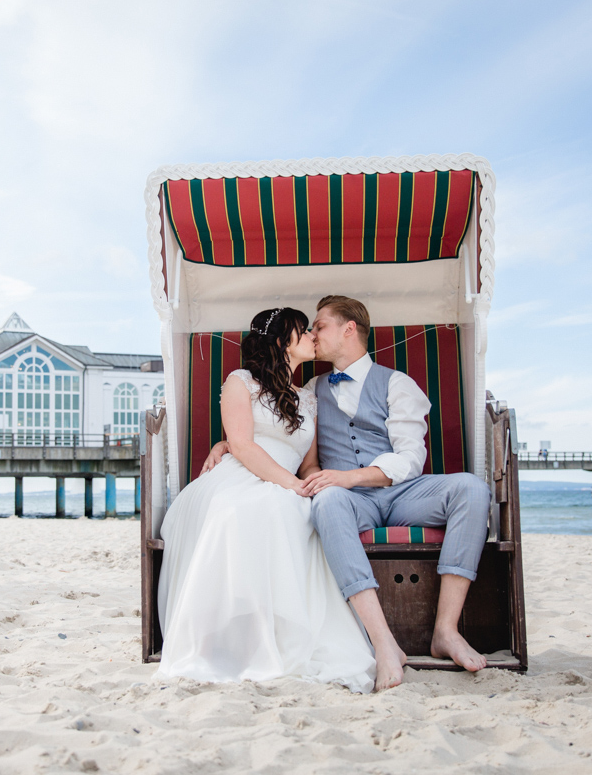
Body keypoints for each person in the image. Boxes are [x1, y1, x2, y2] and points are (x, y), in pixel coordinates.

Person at [204, 295, 491, 691]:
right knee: (327, 500)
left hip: (403, 493)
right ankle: (382, 642)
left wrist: (350, 476)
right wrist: (225, 445)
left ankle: (446, 630)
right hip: (349, 501)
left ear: (348, 329)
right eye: (308, 329)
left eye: (319, 325)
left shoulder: (396, 383)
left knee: (472, 490)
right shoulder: (309, 390)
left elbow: (411, 459)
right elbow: (276, 432)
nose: (312, 334)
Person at [155, 307, 376, 692]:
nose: (310, 335)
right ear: (281, 342)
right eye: (302, 330)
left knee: (301, 513)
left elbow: (309, 463)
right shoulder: (240, 382)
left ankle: (283, 631)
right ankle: (228, 635)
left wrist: (312, 483)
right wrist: (287, 483)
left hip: (288, 482)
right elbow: (240, 444)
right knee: (249, 510)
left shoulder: (307, 399)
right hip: (243, 476)